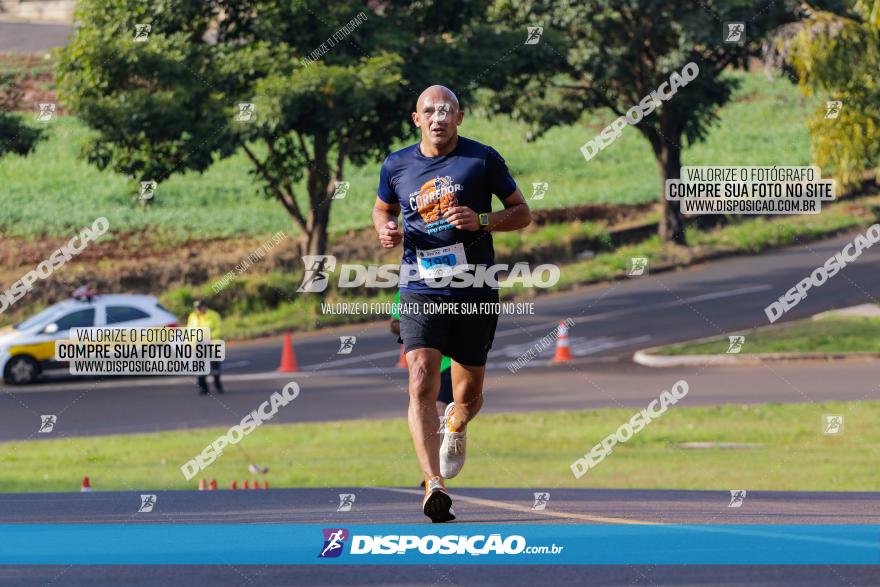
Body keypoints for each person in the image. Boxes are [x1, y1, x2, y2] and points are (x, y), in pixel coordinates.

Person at [372, 85, 532, 522]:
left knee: (469, 395)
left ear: (459, 117)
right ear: (416, 118)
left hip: (474, 287)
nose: (438, 118)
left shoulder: (482, 160)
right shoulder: (396, 164)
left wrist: (482, 219)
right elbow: (382, 208)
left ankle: (456, 425)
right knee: (421, 378)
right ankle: (432, 484)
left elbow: (522, 212)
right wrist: (385, 230)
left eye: (446, 111)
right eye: (430, 111)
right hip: (420, 288)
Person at [186, 300, 223, 395]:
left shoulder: (214, 315)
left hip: (212, 345)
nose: (198, 310)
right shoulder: (192, 316)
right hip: (197, 346)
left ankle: (218, 386)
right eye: (196, 308)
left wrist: (209, 335)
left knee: (215, 368)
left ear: (204, 306)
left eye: (200, 307)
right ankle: (203, 388)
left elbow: (219, 329)